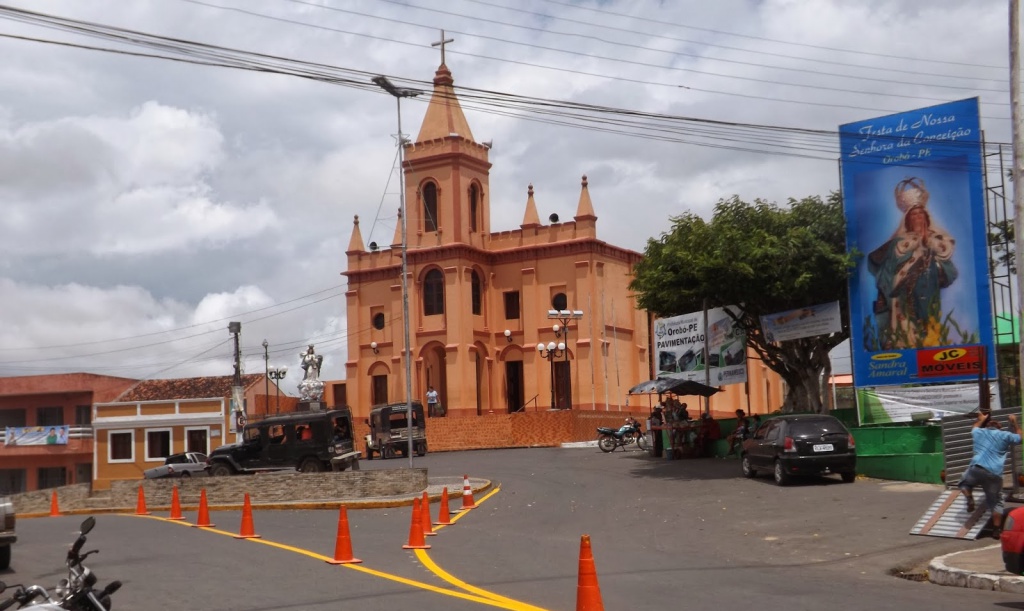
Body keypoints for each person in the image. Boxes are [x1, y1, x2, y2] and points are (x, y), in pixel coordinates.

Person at [867, 178, 957, 349]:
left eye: (920, 214)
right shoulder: (897, 243)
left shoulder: (938, 242)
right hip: (900, 294)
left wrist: (933, 266)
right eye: (913, 214)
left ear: (926, 217)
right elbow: (882, 266)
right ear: (908, 219)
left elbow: (950, 272)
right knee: (903, 329)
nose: (917, 217)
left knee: (927, 327)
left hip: (927, 292)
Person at [958, 411, 1022, 538]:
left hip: (976, 468)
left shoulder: (979, 432)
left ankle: (969, 496)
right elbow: (1020, 437)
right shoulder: (1005, 435)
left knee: (964, 483)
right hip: (994, 473)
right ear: (999, 427)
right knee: (995, 502)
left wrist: (982, 418)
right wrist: (1014, 422)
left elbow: (975, 426)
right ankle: (997, 529)